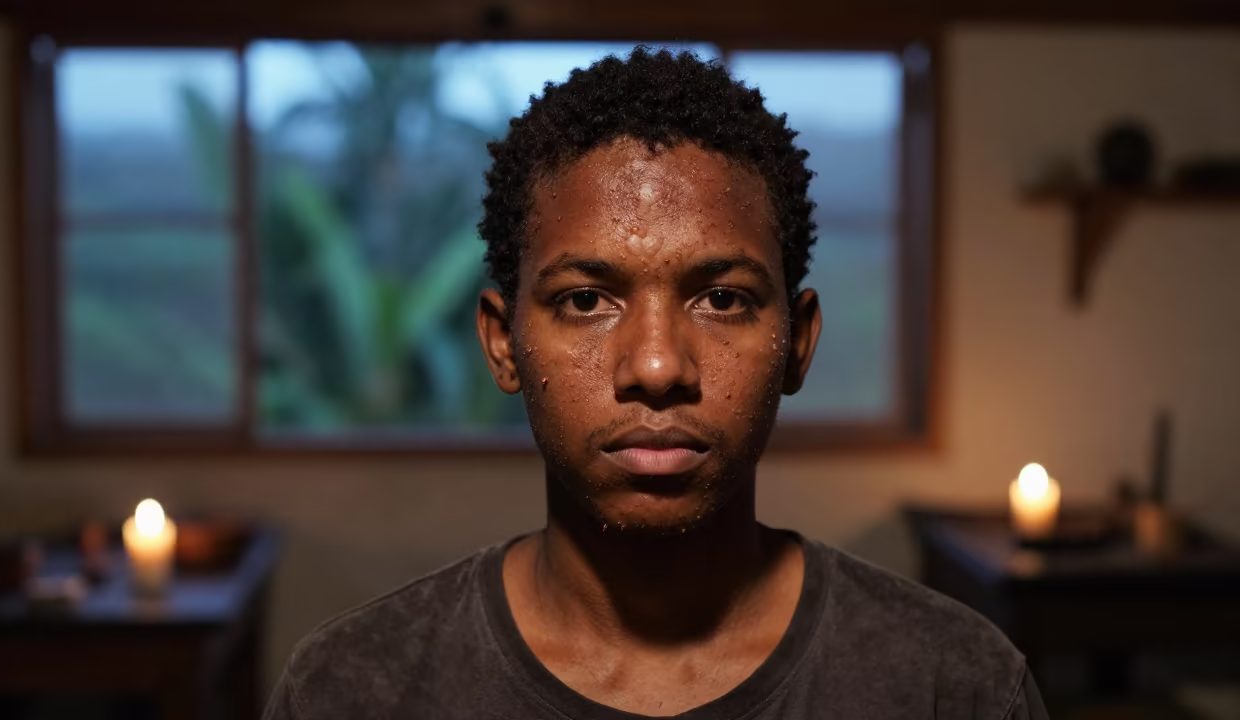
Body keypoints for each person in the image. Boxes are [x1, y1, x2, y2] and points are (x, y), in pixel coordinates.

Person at [262, 47, 1049, 719]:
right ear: (502, 344)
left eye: (723, 298)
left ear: (797, 344)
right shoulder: (354, 691)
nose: (658, 367)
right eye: (586, 301)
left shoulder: (955, 687)